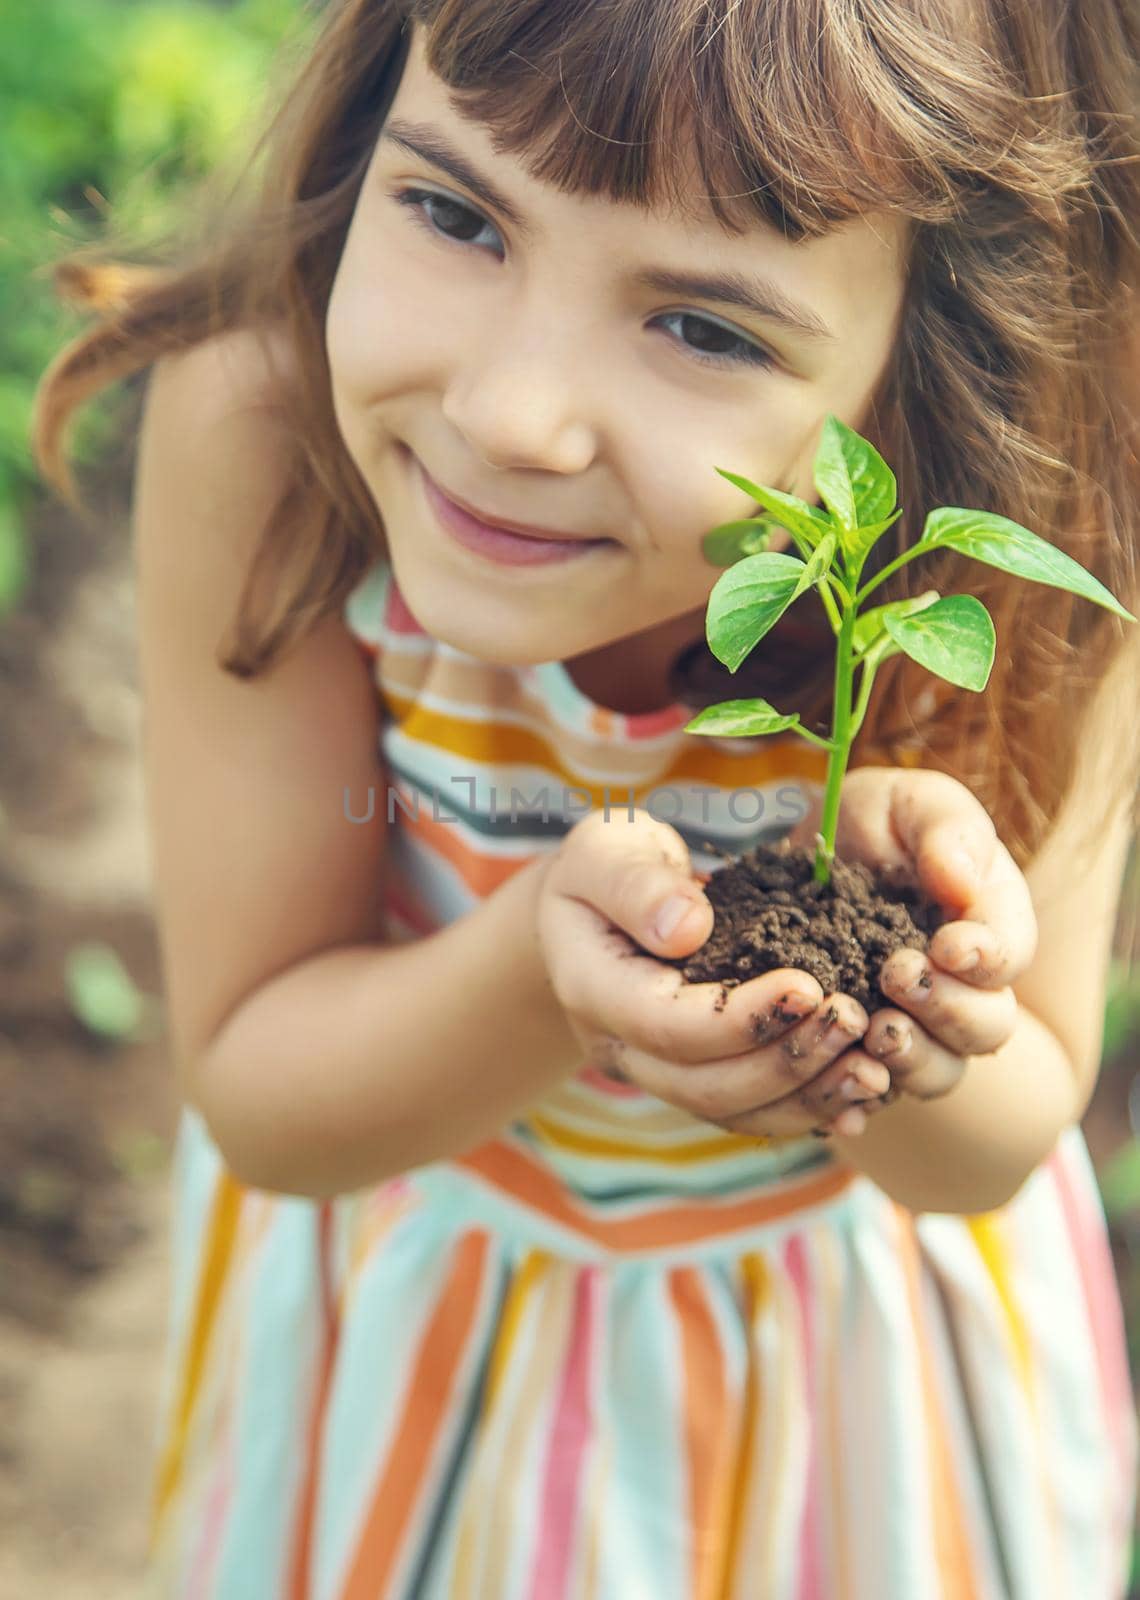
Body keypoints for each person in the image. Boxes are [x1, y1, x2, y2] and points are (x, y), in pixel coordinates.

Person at [31, 1, 1140, 1594]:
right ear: (368, 138)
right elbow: (262, 1088)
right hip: (420, 1322)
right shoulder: (270, 442)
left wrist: (913, 995)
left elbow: (1001, 1136)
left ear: (940, 359)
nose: (507, 418)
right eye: (455, 212)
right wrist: (552, 965)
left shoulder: (1020, 558)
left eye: (704, 328)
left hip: (836, 1378)